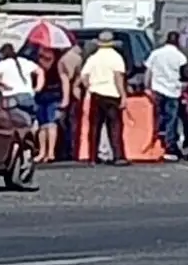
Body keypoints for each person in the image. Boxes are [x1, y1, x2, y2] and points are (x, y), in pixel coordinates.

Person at [80, 31, 128, 166]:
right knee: (115, 126)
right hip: (112, 94)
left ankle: (93, 157)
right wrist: (123, 95)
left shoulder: (93, 58)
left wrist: (89, 86)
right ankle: (118, 155)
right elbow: (118, 77)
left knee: (95, 127)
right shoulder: (116, 58)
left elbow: (84, 76)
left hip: (96, 94)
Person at [144, 31, 188, 161]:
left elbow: (148, 72)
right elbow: (184, 75)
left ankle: (156, 144)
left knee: (157, 118)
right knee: (171, 120)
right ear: (178, 41)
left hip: (157, 89)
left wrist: (147, 87)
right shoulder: (181, 57)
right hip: (173, 90)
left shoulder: (156, 54)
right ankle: (169, 147)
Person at [33, 46, 71, 163]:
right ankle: (42, 152)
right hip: (41, 97)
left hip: (54, 97)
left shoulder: (58, 64)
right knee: (42, 125)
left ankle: (50, 152)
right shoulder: (37, 65)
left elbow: (65, 81)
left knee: (51, 124)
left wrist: (65, 99)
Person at [0, 43, 43, 123]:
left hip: (11, 96)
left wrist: (2, 84)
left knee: (13, 121)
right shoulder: (24, 61)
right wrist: (38, 87)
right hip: (28, 95)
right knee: (30, 120)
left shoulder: (3, 64)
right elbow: (40, 71)